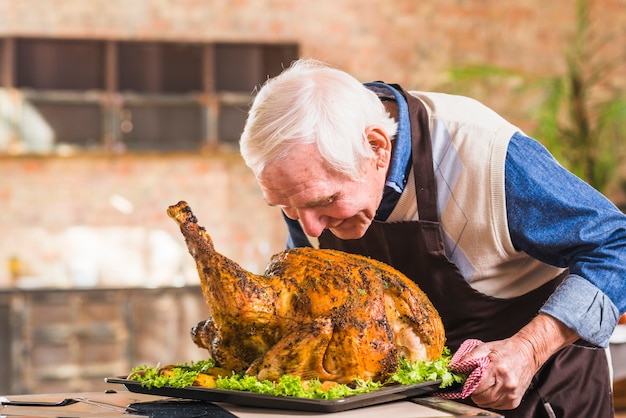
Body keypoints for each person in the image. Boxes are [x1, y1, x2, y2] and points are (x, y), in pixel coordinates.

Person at [239, 58, 626, 417]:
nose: (310, 230)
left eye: (326, 201)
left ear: (376, 147)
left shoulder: (482, 151)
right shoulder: (309, 183)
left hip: (541, 389)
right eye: (285, 207)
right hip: (412, 402)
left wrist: (528, 349)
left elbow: (615, 245)